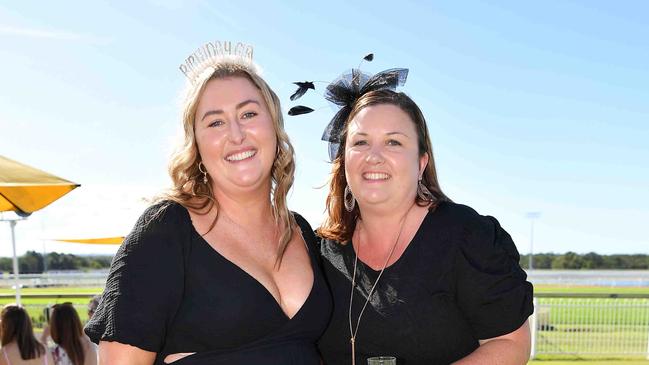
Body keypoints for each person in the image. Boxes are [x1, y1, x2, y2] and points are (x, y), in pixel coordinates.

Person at [84, 41, 331, 365]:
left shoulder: (299, 230)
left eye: (249, 113)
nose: (236, 133)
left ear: (274, 125)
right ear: (196, 143)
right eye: (215, 122)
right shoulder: (166, 230)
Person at [311, 68, 534, 364]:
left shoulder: (467, 237)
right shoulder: (321, 252)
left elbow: (510, 343)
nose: (373, 155)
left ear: (421, 162)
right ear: (343, 160)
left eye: (394, 142)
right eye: (360, 142)